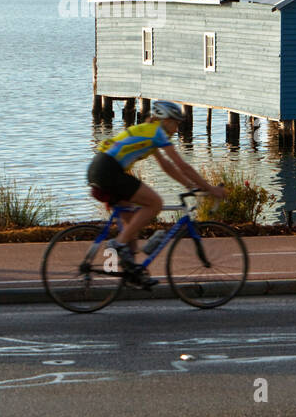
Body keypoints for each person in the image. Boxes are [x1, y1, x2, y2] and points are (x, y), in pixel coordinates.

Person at [87, 100, 224, 286]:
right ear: (165, 120)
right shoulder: (157, 133)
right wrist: (210, 188)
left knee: (131, 222)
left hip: (99, 168)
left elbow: (167, 166)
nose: (176, 129)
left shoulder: (149, 131)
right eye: (175, 123)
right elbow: (182, 165)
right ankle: (117, 244)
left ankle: (134, 273)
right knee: (155, 204)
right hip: (109, 171)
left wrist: (189, 186)